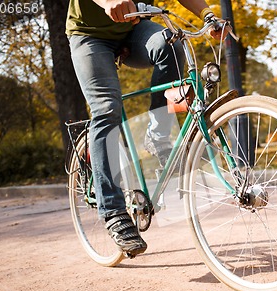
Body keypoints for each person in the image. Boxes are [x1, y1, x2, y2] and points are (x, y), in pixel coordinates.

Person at [66, 0, 226, 258]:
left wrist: (207, 15)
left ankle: (158, 137)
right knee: (107, 108)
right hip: (90, 35)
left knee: (171, 43)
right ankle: (113, 210)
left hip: (133, 29)